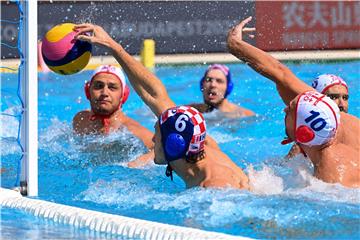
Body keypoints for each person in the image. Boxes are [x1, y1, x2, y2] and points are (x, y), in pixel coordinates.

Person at [73, 23, 249, 190]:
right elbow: (155, 94)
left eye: (157, 133)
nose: (153, 139)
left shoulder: (214, 187)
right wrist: (114, 47)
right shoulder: (200, 143)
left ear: (173, 144)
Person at [227, 16, 359, 188]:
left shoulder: (331, 174)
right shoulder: (327, 122)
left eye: (345, 97)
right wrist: (236, 45)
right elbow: (280, 73)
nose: (284, 110)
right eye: (333, 97)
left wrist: (234, 44)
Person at [72, 64, 154, 149]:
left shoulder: (132, 132)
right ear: (88, 91)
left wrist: (139, 161)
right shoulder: (80, 120)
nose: (104, 93)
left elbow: (160, 149)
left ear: (123, 95)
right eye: (99, 86)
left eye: (112, 87)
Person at [287, 74, 350, 158]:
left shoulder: (354, 131)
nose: (342, 104)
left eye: (345, 98)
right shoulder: (304, 147)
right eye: (333, 97)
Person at [189, 64, 254, 117]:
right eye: (208, 80)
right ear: (202, 85)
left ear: (228, 87)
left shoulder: (245, 115)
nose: (213, 85)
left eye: (219, 81)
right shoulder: (192, 111)